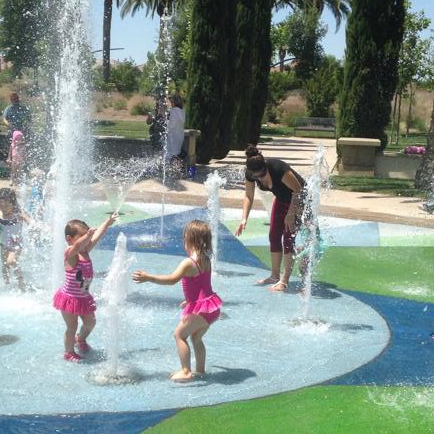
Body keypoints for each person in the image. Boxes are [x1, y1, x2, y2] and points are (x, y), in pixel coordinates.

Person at [133, 219, 222, 382]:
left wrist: (148, 277)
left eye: (184, 237)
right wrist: (190, 301)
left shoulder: (189, 262)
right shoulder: (205, 259)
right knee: (196, 338)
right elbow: (202, 285)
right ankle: (200, 371)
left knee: (179, 335)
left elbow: (172, 279)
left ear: (190, 239)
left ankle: (186, 372)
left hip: (202, 310)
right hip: (211, 307)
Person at [235, 145, 305, 292]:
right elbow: (248, 196)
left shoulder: (278, 168)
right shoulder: (250, 174)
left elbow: (298, 190)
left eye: (262, 174)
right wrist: (244, 219)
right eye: (257, 177)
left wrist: (291, 214)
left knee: (288, 237)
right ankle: (274, 276)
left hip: (300, 200)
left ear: (265, 167)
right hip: (282, 199)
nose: (260, 178)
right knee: (274, 235)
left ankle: (284, 280)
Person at [53, 213, 118, 362]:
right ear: (69, 239)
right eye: (82, 237)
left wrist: (107, 223)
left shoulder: (85, 251)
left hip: (83, 297)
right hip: (70, 298)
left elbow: (97, 236)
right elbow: (77, 245)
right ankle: (68, 352)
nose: (88, 240)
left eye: (87, 236)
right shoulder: (70, 253)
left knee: (91, 323)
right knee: (72, 326)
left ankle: (80, 339)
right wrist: (87, 235)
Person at [166, 94, 185, 160]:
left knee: (172, 154)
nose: (171, 104)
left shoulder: (174, 111)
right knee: (177, 152)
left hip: (173, 136)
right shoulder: (182, 110)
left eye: (172, 102)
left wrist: (166, 121)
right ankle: (177, 165)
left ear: (175, 102)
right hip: (180, 135)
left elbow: (171, 125)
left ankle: (175, 165)